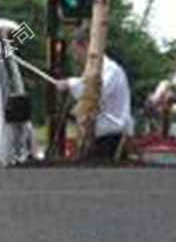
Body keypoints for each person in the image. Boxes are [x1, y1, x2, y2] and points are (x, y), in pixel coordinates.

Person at [55, 27, 133, 160]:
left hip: (110, 141)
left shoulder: (110, 70)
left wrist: (69, 83)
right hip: (99, 139)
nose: (75, 57)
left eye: (76, 50)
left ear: (86, 45)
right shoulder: (97, 71)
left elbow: (95, 91)